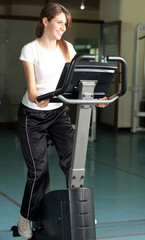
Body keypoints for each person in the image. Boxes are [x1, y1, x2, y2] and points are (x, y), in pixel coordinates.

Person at [17, 2, 108, 239]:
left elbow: (79, 80)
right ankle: (25, 218)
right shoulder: (30, 50)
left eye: (65, 24)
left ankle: (78, 210)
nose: (63, 28)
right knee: (38, 171)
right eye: (59, 22)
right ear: (45, 21)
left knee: (73, 160)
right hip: (33, 115)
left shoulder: (67, 47)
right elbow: (32, 89)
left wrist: (98, 96)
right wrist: (39, 98)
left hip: (58, 113)